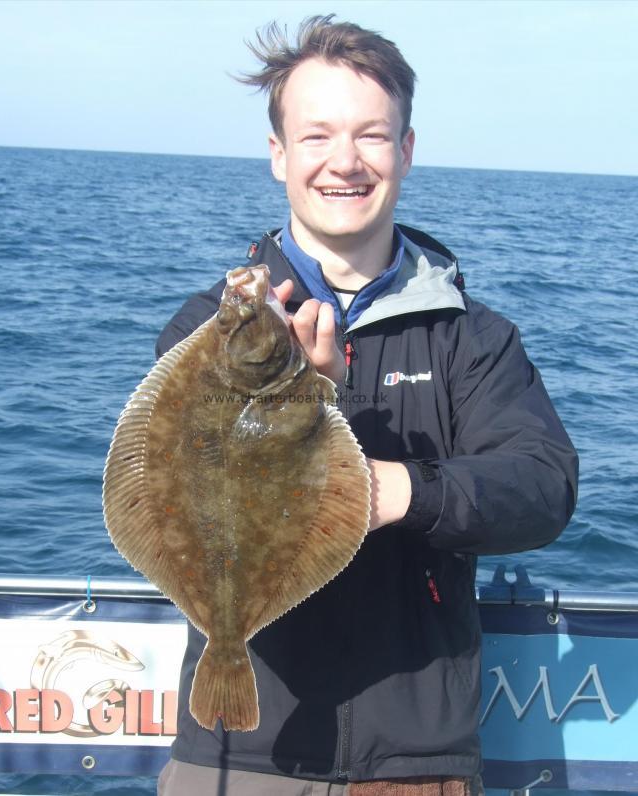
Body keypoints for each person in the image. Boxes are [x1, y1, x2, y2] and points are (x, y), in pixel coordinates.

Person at [156, 15, 578, 796]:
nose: (343, 162)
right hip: (242, 752)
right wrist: (308, 405)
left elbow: (542, 489)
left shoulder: (471, 340)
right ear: (279, 155)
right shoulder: (201, 332)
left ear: (406, 151)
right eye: (315, 136)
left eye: (371, 136)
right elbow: (182, 496)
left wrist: (399, 488)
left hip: (416, 763)